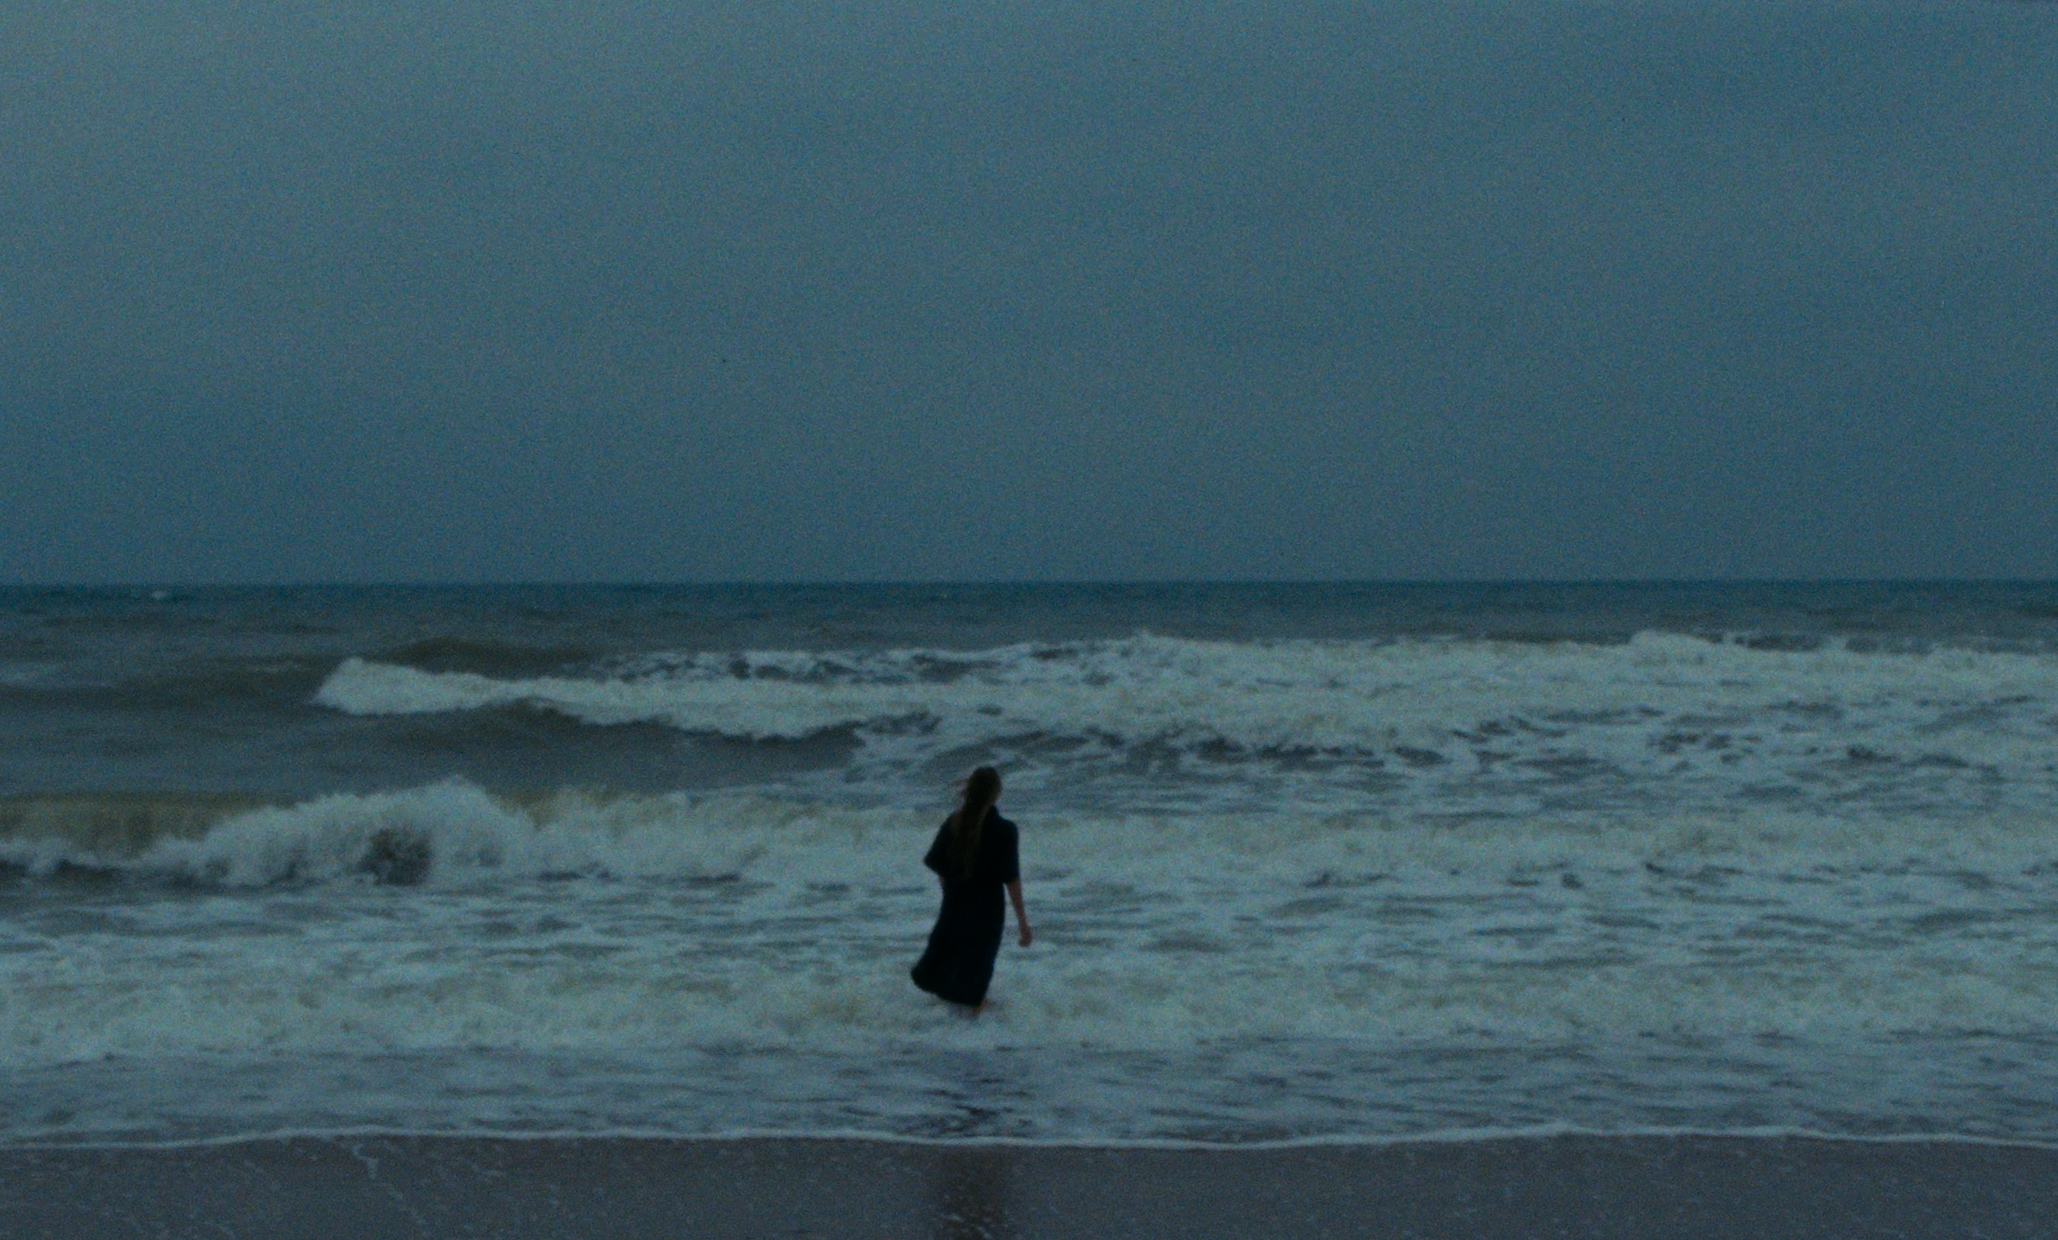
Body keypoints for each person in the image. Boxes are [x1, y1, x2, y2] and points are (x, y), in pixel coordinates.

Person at [910, 766, 1031, 1011]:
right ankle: (972, 1024)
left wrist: (949, 892)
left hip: (955, 902)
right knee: (977, 972)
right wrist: (1023, 924)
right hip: (987, 910)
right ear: (996, 793)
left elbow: (937, 862)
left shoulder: (954, 823)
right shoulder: (1005, 830)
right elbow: (1011, 880)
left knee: (948, 960)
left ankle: (943, 1022)